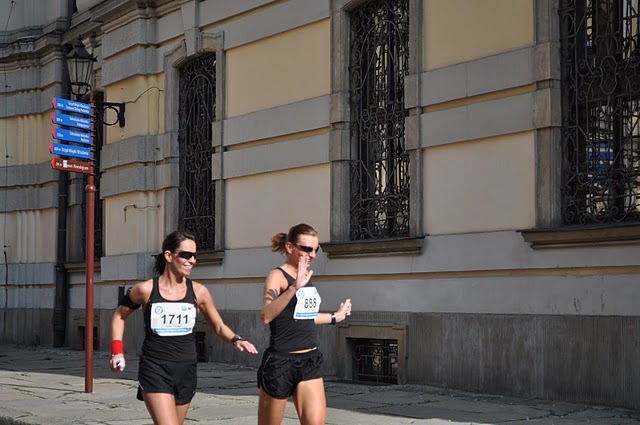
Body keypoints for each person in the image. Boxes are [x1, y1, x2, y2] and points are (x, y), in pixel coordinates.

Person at [109, 229, 258, 425]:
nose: (192, 260)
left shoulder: (199, 291)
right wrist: (117, 352)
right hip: (155, 368)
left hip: (186, 369)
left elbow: (219, 325)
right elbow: (119, 316)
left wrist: (236, 339)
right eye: (186, 255)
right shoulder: (145, 289)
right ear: (169, 255)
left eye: (194, 255)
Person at [257, 223, 352, 425]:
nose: (313, 255)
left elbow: (305, 316)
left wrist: (336, 317)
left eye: (316, 249)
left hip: (310, 360)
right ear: (290, 247)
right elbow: (266, 315)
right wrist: (294, 288)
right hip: (281, 362)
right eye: (307, 249)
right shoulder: (277, 276)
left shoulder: (305, 276)